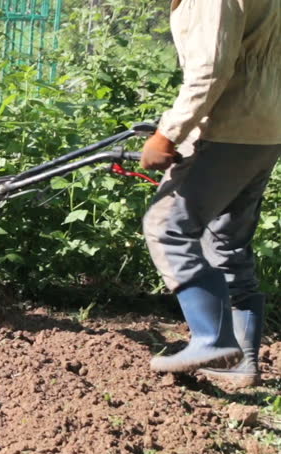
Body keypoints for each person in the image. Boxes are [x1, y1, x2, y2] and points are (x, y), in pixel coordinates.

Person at [140, 0, 281, 387]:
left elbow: (210, 70)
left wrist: (168, 133)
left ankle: (211, 338)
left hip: (227, 127)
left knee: (167, 226)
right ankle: (241, 362)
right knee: (226, 240)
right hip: (266, 127)